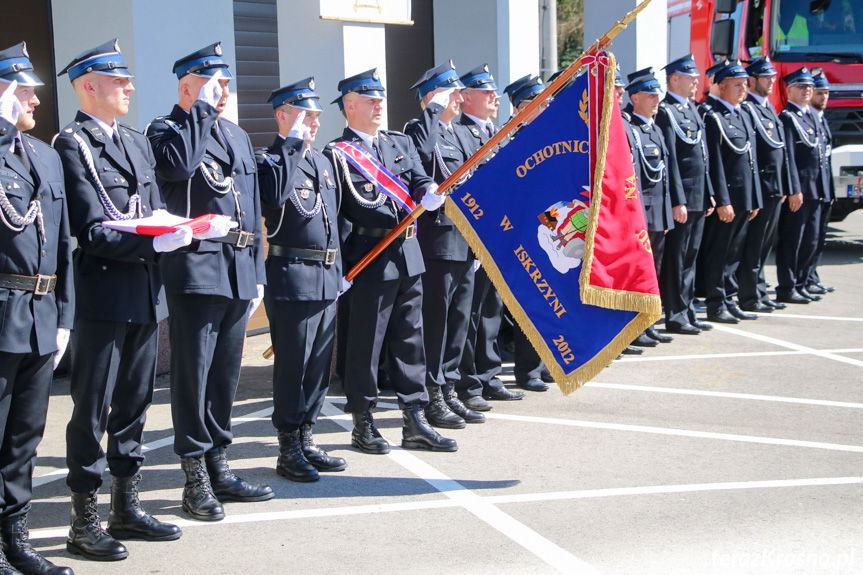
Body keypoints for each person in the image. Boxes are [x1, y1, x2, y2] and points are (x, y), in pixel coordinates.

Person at [54, 39, 188, 562]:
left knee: (135, 402)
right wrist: (155, 242)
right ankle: (83, 518)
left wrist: (175, 229)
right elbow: (91, 229)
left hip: (146, 291)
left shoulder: (133, 141)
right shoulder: (73, 145)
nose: (130, 87)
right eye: (118, 80)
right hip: (104, 294)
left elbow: (149, 209)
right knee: (92, 407)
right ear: (89, 86)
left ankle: (125, 505)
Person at [146, 42, 273, 522]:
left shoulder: (236, 135)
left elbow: (252, 207)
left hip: (238, 267)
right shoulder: (166, 129)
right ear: (188, 87)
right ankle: (194, 473)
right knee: (193, 376)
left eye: (226, 84)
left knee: (225, 376)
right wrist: (197, 112)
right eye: (213, 84)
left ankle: (220, 463)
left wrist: (257, 272)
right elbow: (178, 168)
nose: (224, 92)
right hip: (197, 268)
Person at [322, 68, 457, 454]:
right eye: (370, 100)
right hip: (369, 257)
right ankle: (363, 422)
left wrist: (428, 191)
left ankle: (414, 419)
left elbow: (417, 178)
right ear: (349, 106)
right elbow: (335, 215)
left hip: (408, 254)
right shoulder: (338, 154)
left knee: (411, 340)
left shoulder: (398, 142)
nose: (379, 105)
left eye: (380, 99)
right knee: (366, 344)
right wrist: (337, 268)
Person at [0, 43, 74, 575]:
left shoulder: (45, 155)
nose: (35, 101)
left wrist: (65, 315)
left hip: (42, 312)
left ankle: (15, 539)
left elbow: (63, 242)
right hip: (2, 310)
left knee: (25, 436)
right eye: (25, 91)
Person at [256, 78, 346, 482]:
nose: (314, 123)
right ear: (283, 116)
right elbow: (273, 199)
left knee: (317, 367)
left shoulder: (322, 162)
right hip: (292, 275)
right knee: (293, 365)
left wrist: (339, 271)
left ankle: (307, 435)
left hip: (326, 275)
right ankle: (288, 445)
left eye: (316, 116)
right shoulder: (270, 160)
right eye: (305, 116)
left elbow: (333, 222)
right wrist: (291, 143)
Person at [403, 61, 484, 427]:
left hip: (464, 239)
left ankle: (449, 388)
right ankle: (432, 394)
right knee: (435, 324)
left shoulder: (461, 133)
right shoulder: (419, 128)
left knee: (458, 322)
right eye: (452, 95)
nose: (459, 100)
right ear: (435, 97)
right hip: (437, 241)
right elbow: (421, 158)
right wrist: (432, 111)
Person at [454, 64, 529, 402]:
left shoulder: (499, 133)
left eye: (494, 92)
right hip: (473, 235)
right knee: (468, 313)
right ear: (466, 97)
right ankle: (467, 382)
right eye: (486, 92)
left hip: (498, 234)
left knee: (491, 310)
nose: (494, 98)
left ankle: (489, 374)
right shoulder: (460, 134)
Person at [698, 60, 762, 323]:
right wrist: (723, 200)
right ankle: (715, 303)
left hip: (744, 197)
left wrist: (755, 198)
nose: (743, 89)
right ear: (722, 86)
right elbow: (714, 164)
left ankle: (729, 298)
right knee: (720, 252)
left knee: (734, 253)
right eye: (737, 85)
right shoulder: (712, 116)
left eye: (745, 84)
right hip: (728, 199)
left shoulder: (742, 114)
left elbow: (751, 160)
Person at [656, 54, 715, 335]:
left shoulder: (692, 108)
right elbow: (671, 162)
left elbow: (703, 157)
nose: (695, 82)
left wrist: (710, 193)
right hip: (684, 198)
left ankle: (688, 309)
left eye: (696, 78)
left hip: (699, 195)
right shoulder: (666, 112)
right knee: (677, 258)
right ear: (674, 79)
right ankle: (676, 314)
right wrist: (678, 199)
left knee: (691, 257)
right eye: (690, 78)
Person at [501, 75, 551, 392]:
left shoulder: (548, 135)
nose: (547, 108)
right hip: (520, 228)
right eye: (541, 103)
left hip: (550, 225)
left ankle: (543, 361)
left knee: (548, 296)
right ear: (522, 108)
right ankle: (528, 368)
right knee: (528, 298)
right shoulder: (509, 138)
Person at [623, 68, 675, 346]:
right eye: (651, 95)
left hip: (657, 215)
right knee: (637, 273)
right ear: (635, 98)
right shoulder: (630, 128)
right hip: (641, 215)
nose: (657, 100)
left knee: (653, 272)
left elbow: (662, 178)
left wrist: (666, 214)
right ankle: (634, 329)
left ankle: (649, 323)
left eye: (658, 95)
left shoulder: (654, 128)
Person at [739, 57, 791, 312]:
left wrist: (785, 186)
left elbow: (781, 151)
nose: (771, 81)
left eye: (772, 77)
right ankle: (749, 295)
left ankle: (760, 290)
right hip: (762, 185)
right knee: (754, 245)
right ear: (753, 80)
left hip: (774, 187)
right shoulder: (749, 109)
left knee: (765, 245)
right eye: (766, 77)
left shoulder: (768, 107)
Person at [776, 66, 831, 304]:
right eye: (801, 86)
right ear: (789, 90)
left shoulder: (810, 115)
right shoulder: (788, 117)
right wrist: (793, 189)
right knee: (793, 240)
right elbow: (788, 158)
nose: (807, 90)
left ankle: (802, 282)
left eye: (809, 86)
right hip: (800, 190)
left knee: (810, 239)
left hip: (816, 189)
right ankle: (787, 286)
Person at [805, 68, 836, 295]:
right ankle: (801, 281)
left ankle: (811, 277)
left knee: (817, 237)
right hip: (809, 189)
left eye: (826, 93)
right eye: (819, 93)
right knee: (806, 238)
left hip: (823, 188)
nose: (823, 97)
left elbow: (826, 159)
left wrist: (831, 190)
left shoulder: (822, 119)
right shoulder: (805, 119)